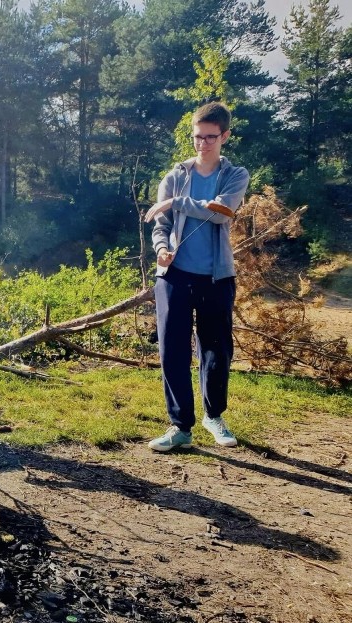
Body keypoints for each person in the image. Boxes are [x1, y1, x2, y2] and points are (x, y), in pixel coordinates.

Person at [144, 102, 249, 452]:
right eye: (197, 137)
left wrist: (175, 202)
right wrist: (161, 249)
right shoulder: (174, 176)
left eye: (210, 137)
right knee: (172, 351)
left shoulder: (236, 175)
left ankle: (214, 417)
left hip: (217, 278)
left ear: (225, 136)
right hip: (174, 277)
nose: (202, 143)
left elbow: (222, 211)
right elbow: (161, 226)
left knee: (216, 351)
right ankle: (180, 426)